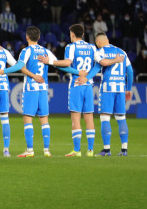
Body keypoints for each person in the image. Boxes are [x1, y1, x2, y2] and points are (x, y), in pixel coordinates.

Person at [40, 24, 121, 156]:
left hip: (76, 85)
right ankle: (90, 150)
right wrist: (89, 76)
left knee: (76, 118)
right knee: (89, 117)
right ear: (83, 34)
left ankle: (77, 150)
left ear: (72, 34)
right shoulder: (91, 47)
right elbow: (100, 64)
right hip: (88, 86)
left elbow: (67, 63)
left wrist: (51, 62)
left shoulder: (71, 47)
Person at [0, 26, 57, 157]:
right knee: (44, 118)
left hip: (31, 88)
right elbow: (58, 63)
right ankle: (47, 150)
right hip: (43, 88)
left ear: (27, 37)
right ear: (39, 37)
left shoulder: (26, 50)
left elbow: (19, 66)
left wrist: (3, 71)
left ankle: (30, 150)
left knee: (27, 118)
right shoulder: (46, 51)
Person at [94, 33, 135, 156]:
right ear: (107, 39)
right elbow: (130, 71)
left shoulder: (100, 51)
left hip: (107, 88)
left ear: (98, 42)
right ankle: (124, 149)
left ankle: (106, 150)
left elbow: (98, 67)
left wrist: (86, 77)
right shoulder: (121, 51)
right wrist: (128, 89)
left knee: (105, 118)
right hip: (121, 89)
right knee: (121, 118)